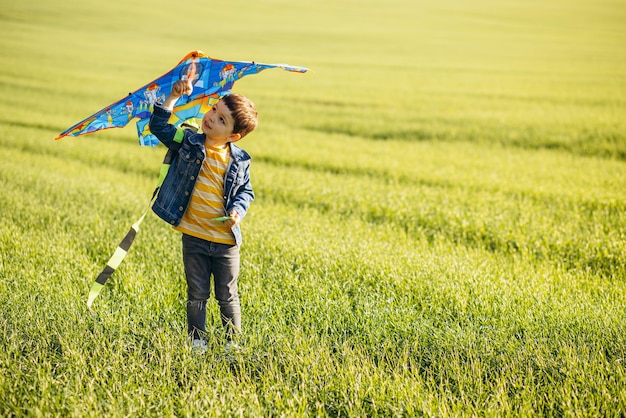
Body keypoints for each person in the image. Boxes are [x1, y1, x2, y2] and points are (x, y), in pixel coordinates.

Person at [149, 79, 257, 353]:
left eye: (221, 119)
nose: (211, 118)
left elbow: (246, 191)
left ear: (233, 136)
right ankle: (197, 341)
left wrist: (237, 211)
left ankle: (232, 342)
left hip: (225, 242)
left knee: (227, 294)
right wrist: (172, 97)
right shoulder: (188, 141)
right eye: (213, 110)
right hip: (194, 238)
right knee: (197, 293)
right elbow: (159, 127)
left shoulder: (239, 160)